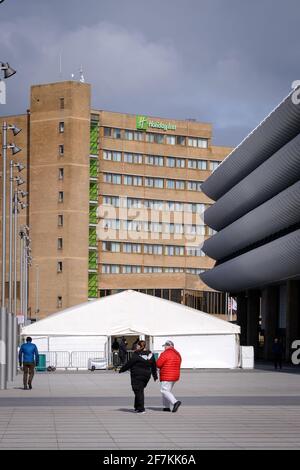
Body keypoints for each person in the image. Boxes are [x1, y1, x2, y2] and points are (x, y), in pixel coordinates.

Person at [119, 340, 157, 413]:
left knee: (138, 391)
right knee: (139, 390)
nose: (136, 346)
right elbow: (154, 365)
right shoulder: (150, 354)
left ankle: (141, 408)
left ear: (139, 346)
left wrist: (121, 370)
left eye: (137, 345)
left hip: (137, 375)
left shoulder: (136, 354)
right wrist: (155, 376)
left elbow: (129, 364)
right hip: (146, 375)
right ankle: (137, 407)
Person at [156, 340, 182, 412]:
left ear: (168, 346)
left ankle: (175, 402)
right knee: (167, 391)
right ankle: (166, 407)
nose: (164, 347)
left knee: (164, 390)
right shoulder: (177, 354)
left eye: (165, 346)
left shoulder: (165, 353)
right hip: (175, 375)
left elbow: (158, 364)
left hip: (166, 375)